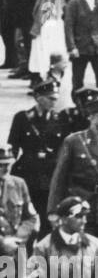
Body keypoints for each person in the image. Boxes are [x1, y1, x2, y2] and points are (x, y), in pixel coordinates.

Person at [46, 97, 98, 241]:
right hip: (82, 206)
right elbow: (59, 178)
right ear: (91, 117)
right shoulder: (73, 141)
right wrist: (53, 211)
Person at [8, 80, 64, 240]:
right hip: (27, 174)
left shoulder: (60, 119)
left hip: (50, 175)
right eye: (50, 98)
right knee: (24, 217)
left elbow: (63, 149)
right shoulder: (22, 118)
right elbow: (13, 147)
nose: (54, 102)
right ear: (38, 97)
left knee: (48, 218)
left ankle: (42, 255)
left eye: (55, 98)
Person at [0, 146, 39, 278]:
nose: (5, 169)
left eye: (8, 164)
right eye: (1, 165)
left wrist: (17, 239)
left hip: (12, 256)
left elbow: (31, 216)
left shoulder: (19, 183)